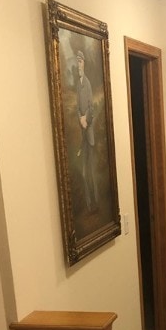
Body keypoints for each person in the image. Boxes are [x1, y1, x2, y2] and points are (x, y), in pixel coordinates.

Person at [75, 49, 98, 212]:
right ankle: (89, 204)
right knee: (84, 171)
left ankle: (95, 203)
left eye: (80, 61)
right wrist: (80, 118)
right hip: (83, 135)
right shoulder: (78, 84)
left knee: (91, 171)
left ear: (84, 63)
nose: (78, 64)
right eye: (77, 61)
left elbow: (91, 108)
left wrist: (86, 119)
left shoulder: (87, 83)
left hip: (89, 135)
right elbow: (78, 108)